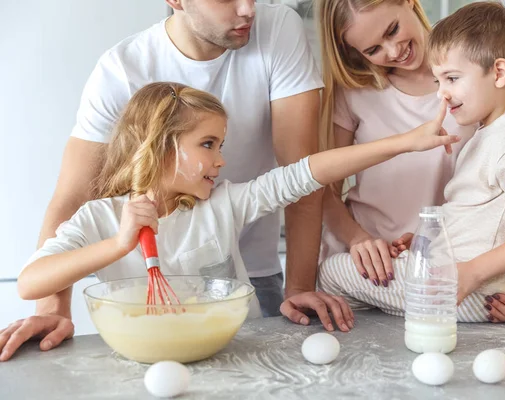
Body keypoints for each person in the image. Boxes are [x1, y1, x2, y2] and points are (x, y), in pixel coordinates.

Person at [0, 0, 340, 362]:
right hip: (148, 297)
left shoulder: (276, 28)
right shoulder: (122, 70)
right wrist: (52, 309)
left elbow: (301, 175)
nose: (247, 10)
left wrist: (299, 286)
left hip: (252, 276)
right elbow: (71, 200)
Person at [17, 82, 459, 324]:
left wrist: (406, 142)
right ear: (160, 146)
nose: (221, 159)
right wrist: (118, 245)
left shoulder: (223, 205)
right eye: (208, 144)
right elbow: (30, 282)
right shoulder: (100, 219)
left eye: (221, 144)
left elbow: (309, 172)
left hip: (236, 358)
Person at [317, 1, 505, 321]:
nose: (393, 50)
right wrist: (420, 241)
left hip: (457, 280)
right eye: (373, 49)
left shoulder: (481, 88)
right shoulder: (357, 89)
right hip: (404, 261)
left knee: (334, 280)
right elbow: (320, 189)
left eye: (393, 30)